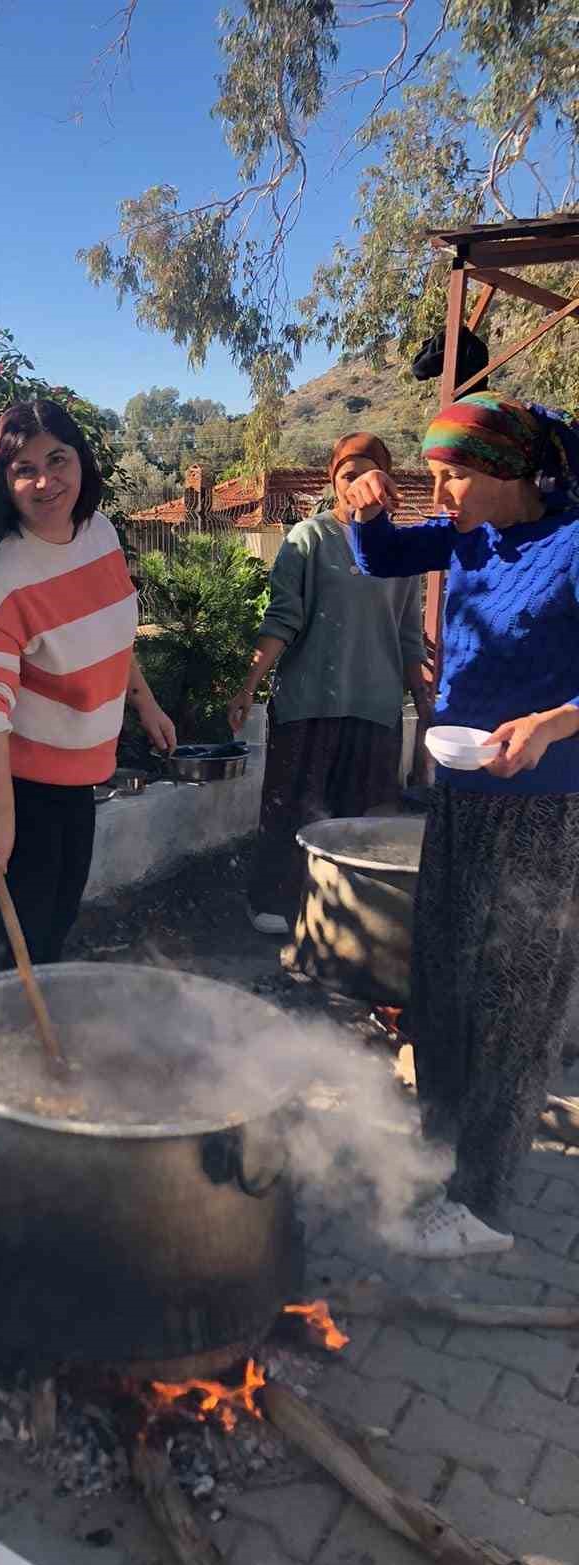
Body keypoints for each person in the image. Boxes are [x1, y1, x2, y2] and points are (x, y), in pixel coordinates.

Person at [345, 392, 579, 1259]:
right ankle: (439, 1151)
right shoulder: (471, 537)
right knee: (440, 980)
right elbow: (380, 559)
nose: (438, 493)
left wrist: (553, 722)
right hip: (460, 790)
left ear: (510, 472)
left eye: (452, 477)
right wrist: (366, 509)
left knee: (513, 1002)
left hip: (543, 807)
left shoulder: (571, 545)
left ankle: (483, 1207)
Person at [0, 398, 176, 968]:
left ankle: (31, 1047)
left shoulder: (98, 531)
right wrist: (0, 816)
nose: (45, 481)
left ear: (82, 461)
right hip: (22, 785)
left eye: (57, 460)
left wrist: (144, 702)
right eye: (23, 469)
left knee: (54, 931)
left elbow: (111, 630)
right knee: (19, 949)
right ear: (3, 481)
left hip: (81, 775)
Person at [228, 432, 432, 935]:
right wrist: (248, 685)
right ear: (333, 481)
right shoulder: (309, 539)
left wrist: (426, 703)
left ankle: (347, 919)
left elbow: (409, 635)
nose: (357, 485)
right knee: (293, 810)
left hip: (377, 706)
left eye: (368, 474)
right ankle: (275, 900)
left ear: (384, 483)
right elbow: (282, 619)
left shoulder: (402, 553)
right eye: (347, 475)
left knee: (363, 821)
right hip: (310, 701)